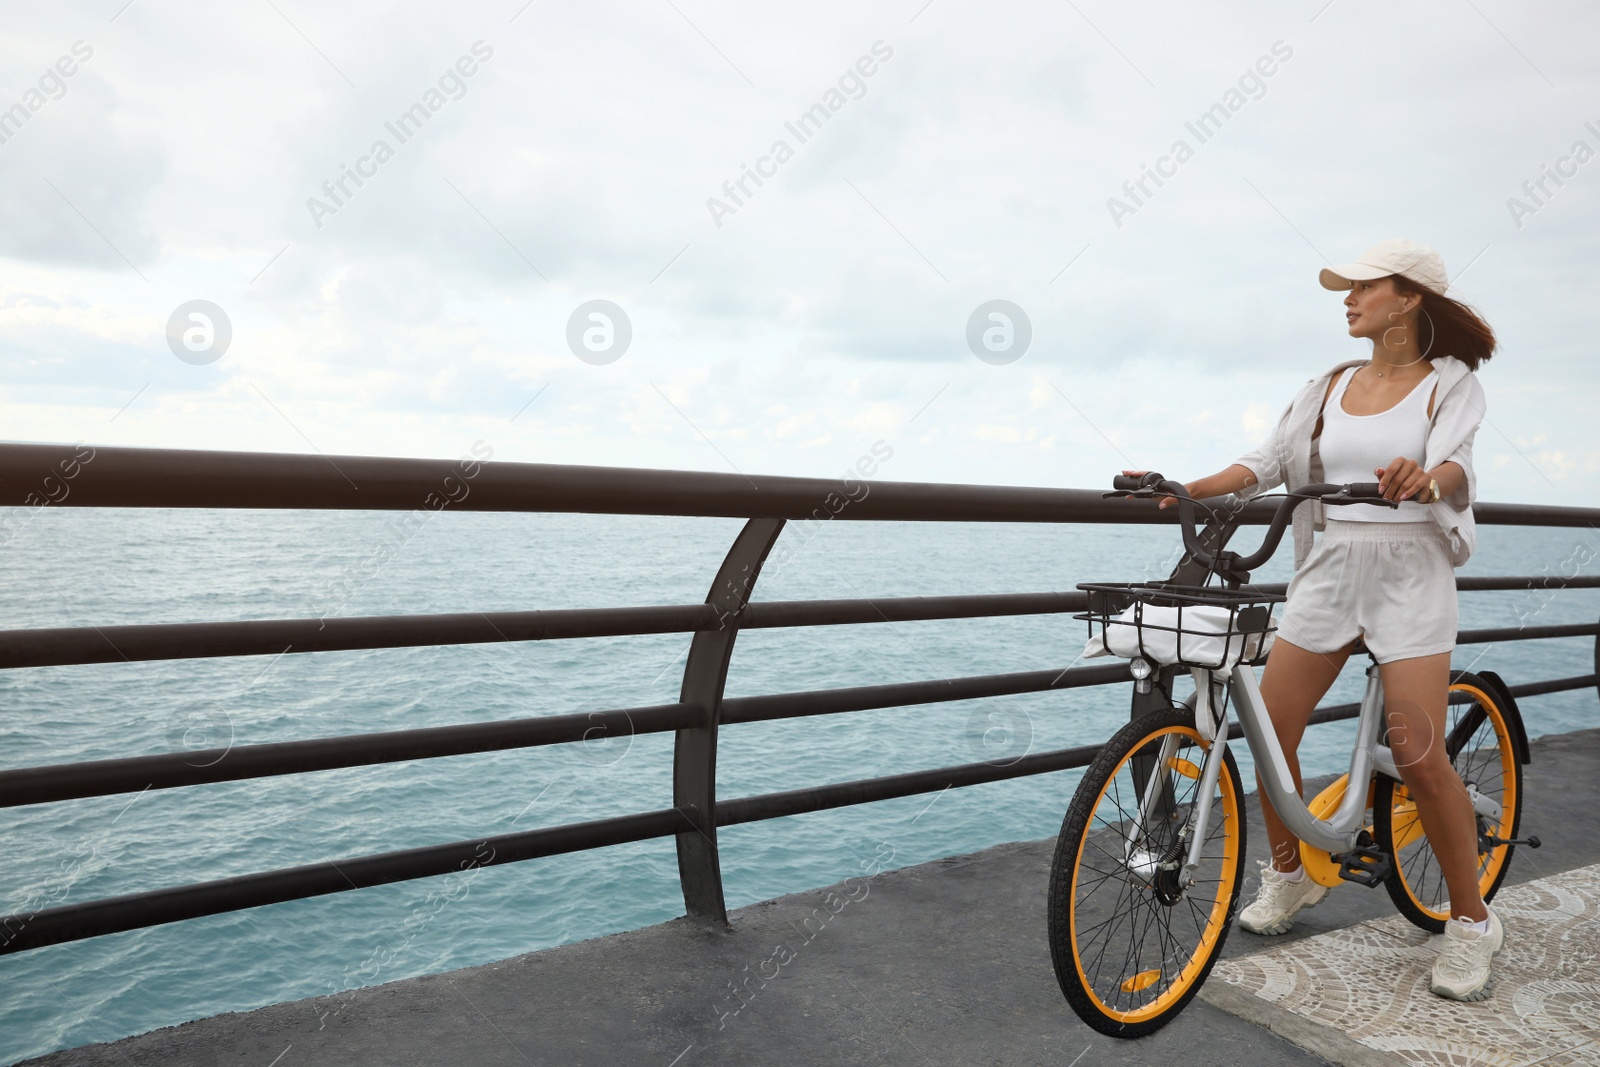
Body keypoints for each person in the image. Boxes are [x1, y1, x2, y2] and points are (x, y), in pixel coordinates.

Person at [1127, 238, 1497, 1001]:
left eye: (1365, 285)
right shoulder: (1327, 384)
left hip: (1410, 570)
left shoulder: (1449, 383)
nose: (1348, 297)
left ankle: (1470, 920)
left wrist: (1425, 478)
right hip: (1329, 566)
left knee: (1420, 755)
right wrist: (1178, 488)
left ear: (1410, 298)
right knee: (1273, 732)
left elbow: (1457, 466)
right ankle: (1292, 875)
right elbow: (1263, 463)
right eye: (1346, 287)